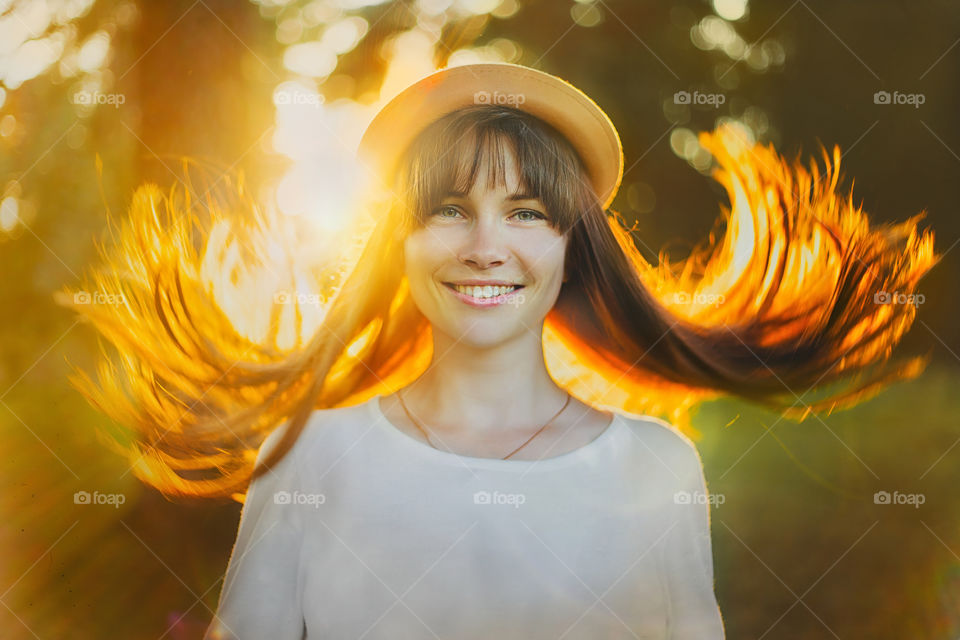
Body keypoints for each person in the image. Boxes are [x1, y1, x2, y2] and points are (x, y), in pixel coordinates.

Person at [204, 62, 729, 639]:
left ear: (572, 248)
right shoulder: (306, 455)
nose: (484, 249)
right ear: (400, 244)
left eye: (525, 213)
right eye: (449, 210)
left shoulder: (657, 465)